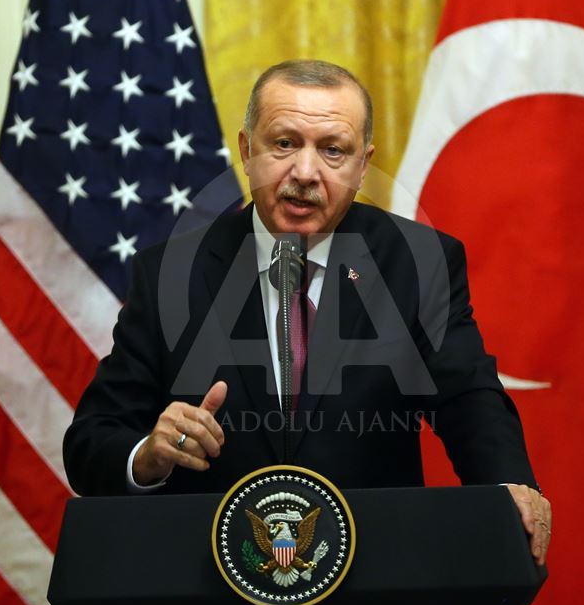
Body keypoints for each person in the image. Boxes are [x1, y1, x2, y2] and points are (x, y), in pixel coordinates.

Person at [63, 60, 552, 565]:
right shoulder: (171, 272)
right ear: (247, 151)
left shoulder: (418, 263)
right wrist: (148, 455)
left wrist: (508, 486)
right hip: (209, 572)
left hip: (375, 568)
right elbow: (91, 442)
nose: (304, 173)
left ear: (363, 166)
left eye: (333, 150)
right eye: (284, 143)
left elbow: (468, 400)